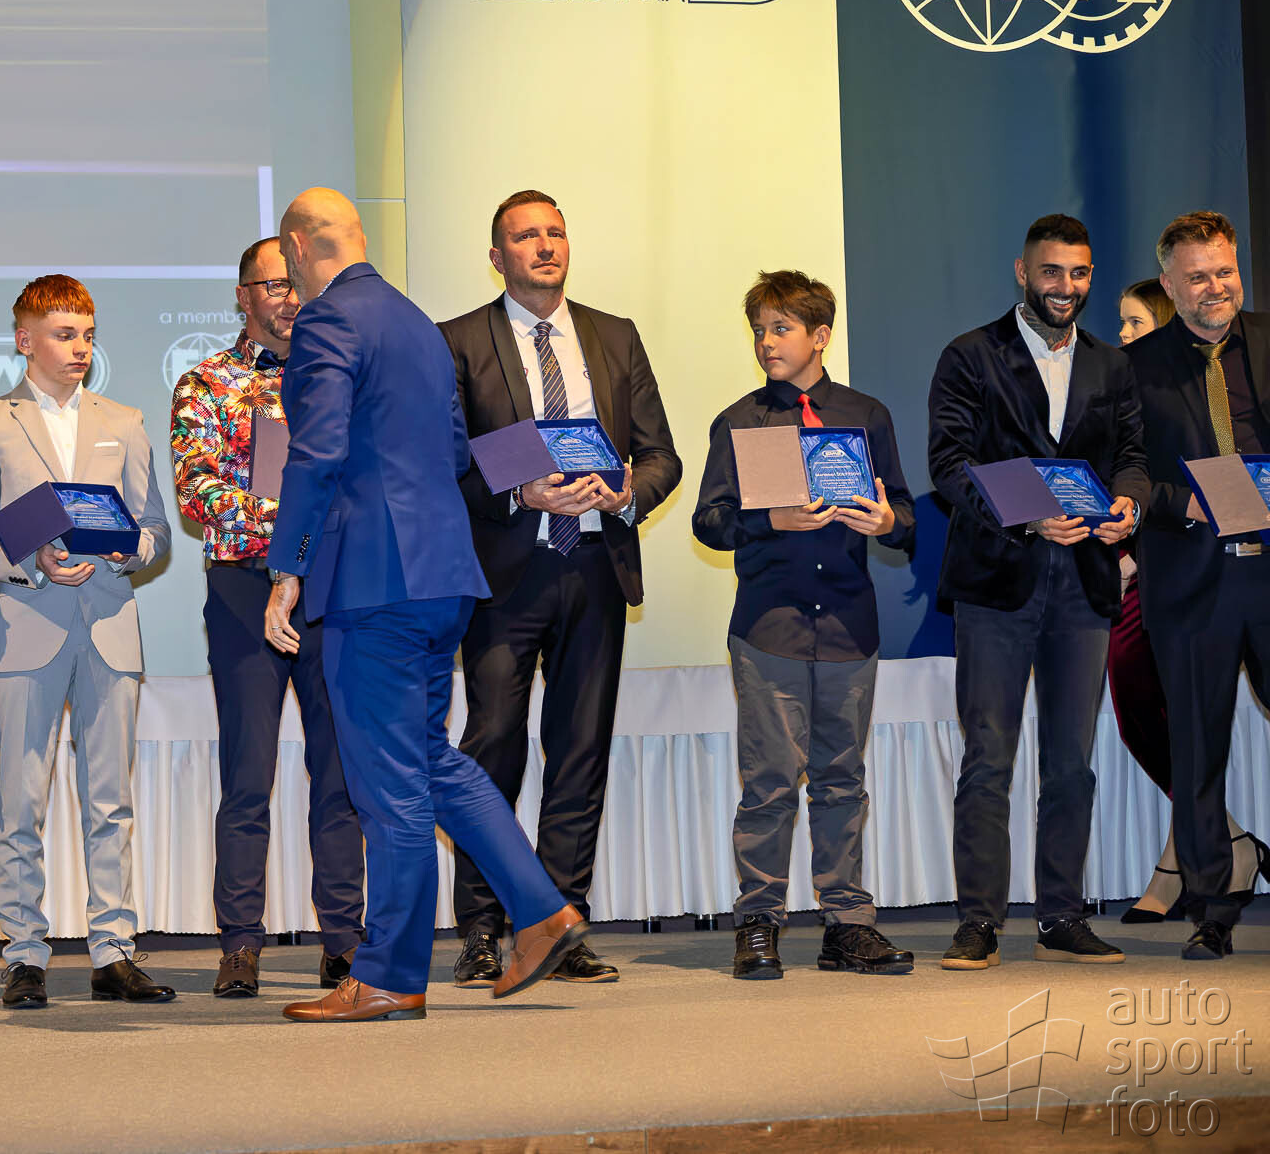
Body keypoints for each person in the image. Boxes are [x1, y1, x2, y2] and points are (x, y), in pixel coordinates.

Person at [265, 188, 587, 1024]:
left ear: (297, 249)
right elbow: (449, 452)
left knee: (389, 785)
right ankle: (542, 912)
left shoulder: (326, 321)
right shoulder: (415, 322)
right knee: (427, 760)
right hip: (444, 573)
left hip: (374, 580)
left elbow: (316, 452)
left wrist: (288, 567)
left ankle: (388, 974)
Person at [435, 188, 681, 986]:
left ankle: (559, 925)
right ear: (496, 256)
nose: (545, 247)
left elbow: (661, 454)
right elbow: (445, 461)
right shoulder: (458, 341)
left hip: (594, 567)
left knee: (580, 754)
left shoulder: (614, 335)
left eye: (555, 233)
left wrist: (626, 492)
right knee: (491, 748)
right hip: (505, 574)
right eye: (526, 236)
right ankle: (481, 927)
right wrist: (519, 490)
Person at [927, 213, 1146, 972]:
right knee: (988, 757)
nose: (1066, 286)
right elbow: (949, 465)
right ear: (1023, 273)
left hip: (1084, 586)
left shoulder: (1112, 365)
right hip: (997, 582)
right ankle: (978, 922)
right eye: (1052, 271)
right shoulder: (969, 355)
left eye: (1079, 273)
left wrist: (1128, 504)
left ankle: (1061, 916)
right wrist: (1029, 517)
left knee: (1071, 763)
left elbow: (1131, 454)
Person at [0, 275, 175, 1008]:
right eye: (64, 334)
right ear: (25, 339)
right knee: (22, 803)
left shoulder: (125, 421)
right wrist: (31, 559)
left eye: (87, 334)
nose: (80, 347)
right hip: (29, 628)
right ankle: (25, 956)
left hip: (110, 629)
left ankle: (114, 952)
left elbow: (155, 529)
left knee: (111, 803)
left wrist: (129, 551)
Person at [691, 270, 915, 980]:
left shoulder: (866, 415)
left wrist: (886, 520)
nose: (766, 342)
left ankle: (847, 925)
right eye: (759, 330)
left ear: (820, 336)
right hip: (770, 628)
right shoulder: (739, 421)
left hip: (850, 625)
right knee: (769, 783)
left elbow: (905, 516)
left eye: (781, 328)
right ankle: (758, 922)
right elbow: (710, 522)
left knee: (843, 781)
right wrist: (770, 519)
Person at [170, 237, 363, 998]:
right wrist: (302, 523)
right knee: (248, 776)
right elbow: (201, 494)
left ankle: (343, 942)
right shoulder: (206, 383)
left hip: (332, 591)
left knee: (338, 775)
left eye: (296, 284)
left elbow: (361, 484)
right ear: (243, 296)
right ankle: (241, 943)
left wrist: (305, 527)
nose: (287, 297)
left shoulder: (337, 378)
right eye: (271, 285)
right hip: (245, 592)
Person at [1123, 211, 1270, 960]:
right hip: (1190, 577)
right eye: (1198, 277)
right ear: (1170, 285)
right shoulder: (1132, 368)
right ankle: (1213, 905)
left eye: (1225, 272)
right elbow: (1121, 474)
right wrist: (1187, 503)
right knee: (1197, 748)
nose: (1216, 288)